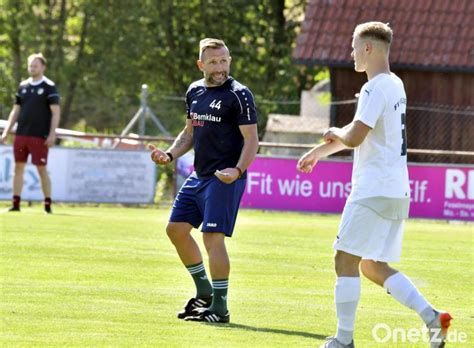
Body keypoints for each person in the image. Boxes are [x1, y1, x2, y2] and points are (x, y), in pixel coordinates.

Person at [297, 22, 451, 348]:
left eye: (354, 47)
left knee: (343, 259)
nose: (351, 54)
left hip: (373, 189)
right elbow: (362, 132)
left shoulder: (373, 88)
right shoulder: (395, 84)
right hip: (396, 190)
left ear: (368, 48)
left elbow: (353, 135)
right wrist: (320, 151)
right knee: (371, 265)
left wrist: (334, 130)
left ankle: (343, 340)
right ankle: (432, 317)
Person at [149, 38, 258, 323]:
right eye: (213, 61)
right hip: (200, 176)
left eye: (224, 60)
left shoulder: (240, 95)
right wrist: (170, 155)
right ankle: (204, 291)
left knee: (212, 238)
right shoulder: (194, 91)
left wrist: (237, 170)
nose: (220, 66)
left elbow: (251, 140)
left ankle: (220, 308)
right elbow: (189, 133)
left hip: (224, 179)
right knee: (175, 230)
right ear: (201, 64)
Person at [1, 53, 61, 214]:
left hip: (39, 135)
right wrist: (6, 131)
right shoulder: (23, 86)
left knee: (41, 169)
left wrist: (52, 134)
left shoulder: (49, 87)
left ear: (43, 67)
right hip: (21, 134)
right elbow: (16, 110)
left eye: (35, 65)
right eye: (30, 65)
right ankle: (15, 203)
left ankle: (47, 205)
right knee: (18, 167)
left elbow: (55, 112)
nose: (32, 68)